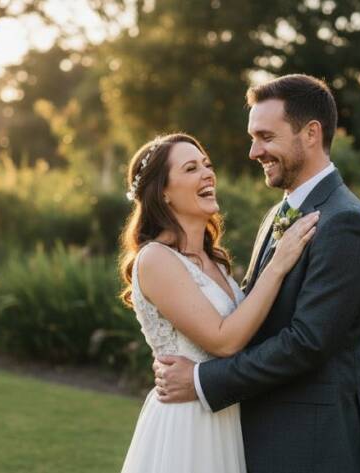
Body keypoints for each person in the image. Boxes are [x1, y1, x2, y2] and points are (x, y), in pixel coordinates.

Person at [154, 74, 360, 473]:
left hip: (311, 444)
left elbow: (307, 343)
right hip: (261, 435)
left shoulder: (345, 222)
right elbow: (251, 312)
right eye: (253, 137)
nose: (253, 151)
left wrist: (203, 380)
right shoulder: (278, 214)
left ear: (311, 134)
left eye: (265, 137)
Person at [118, 132, 320, 473]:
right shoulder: (155, 258)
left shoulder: (215, 262)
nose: (207, 173)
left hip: (225, 413)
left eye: (207, 165)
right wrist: (279, 264)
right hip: (188, 423)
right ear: (163, 192)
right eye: (191, 168)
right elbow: (224, 340)